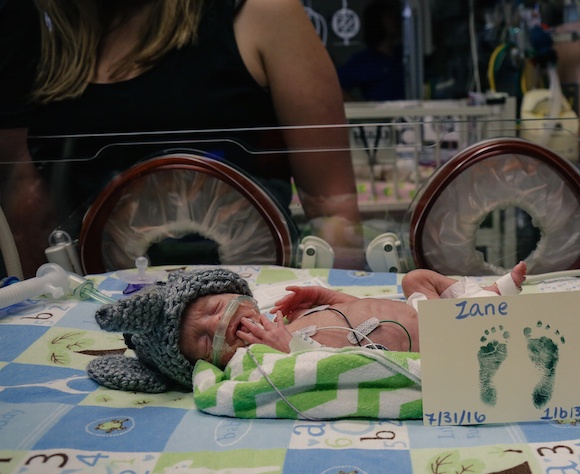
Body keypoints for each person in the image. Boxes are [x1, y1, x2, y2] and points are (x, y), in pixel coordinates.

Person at [0, 0, 365, 277]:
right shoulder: (37, 31)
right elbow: (28, 198)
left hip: (248, 306)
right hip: (96, 310)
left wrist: (335, 318)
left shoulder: (262, 13)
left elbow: (333, 207)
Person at [86, 263, 580, 393]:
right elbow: (314, 374)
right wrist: (285, 350)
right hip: (438, 342)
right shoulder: (259, 360)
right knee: (535, 340)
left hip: (423, 312)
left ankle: (481, 290)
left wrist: (325, 295)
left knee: (417, 276)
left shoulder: (278, 313)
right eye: (200, 338)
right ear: (197, 367)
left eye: (213, 306)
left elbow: (353, 308)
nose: (220, 325)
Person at [337, 0, 405, 102]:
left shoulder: (405, 54)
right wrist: (361, 108)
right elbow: (336, 87)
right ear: (378, 22)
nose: (396, 21)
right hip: (381, 116)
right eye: (390, 17)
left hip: (411, 114)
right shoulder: (364, 61)